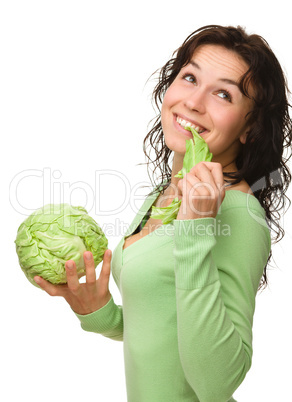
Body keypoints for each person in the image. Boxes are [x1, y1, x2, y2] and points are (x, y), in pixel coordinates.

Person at [34, 25, 292, 401]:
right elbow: (165, 327)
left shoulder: (237, 211)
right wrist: (99, 311)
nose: (193, 101)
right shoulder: (164, 195)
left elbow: (220, 381)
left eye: (223, 93)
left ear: (249, 128)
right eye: (190, 78)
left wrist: (194, 233)